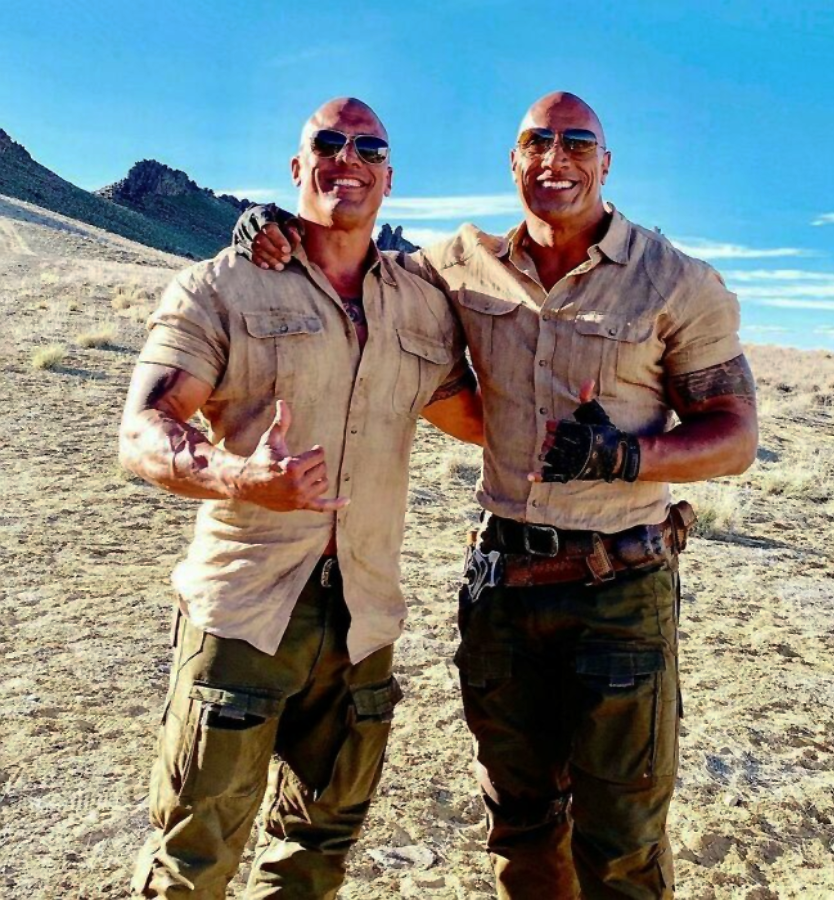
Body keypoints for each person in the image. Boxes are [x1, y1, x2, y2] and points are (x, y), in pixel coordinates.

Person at [233, 90, 758, 900]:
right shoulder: (459, 262)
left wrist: (624, 456)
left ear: (607, 161)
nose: (556, 157)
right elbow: (358, 261)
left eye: (577, 142)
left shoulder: (674, 280)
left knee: (621, 842)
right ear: (513, 161)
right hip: (502, 589)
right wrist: (278, 227)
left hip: (620, 591)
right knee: (520, 822)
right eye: (536, 141)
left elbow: (735, 436)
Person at [119, 97, 482, 899]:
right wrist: (241, 478)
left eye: (369, 148)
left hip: (364, 619)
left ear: (390, 177)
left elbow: (479, 419)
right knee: (193, 857)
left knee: (316, 852)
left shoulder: (420, 302)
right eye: (329, 143)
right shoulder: (223, 286)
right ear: (297, 166)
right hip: (245, 612)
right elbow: (143, 428)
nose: (348, 159)